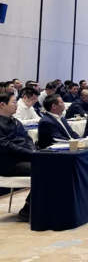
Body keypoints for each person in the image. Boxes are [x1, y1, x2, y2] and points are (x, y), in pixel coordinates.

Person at [0, 91, 35, 221]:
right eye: (14, 102)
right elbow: (6, 146)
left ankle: (43, 205)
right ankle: (27, 209)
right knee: (43, 169)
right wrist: (30, 154)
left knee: (52, 165)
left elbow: (27, 138)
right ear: (3, 105)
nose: (16, 105)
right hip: (8, 163)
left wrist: (34, 151)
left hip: (23, 158)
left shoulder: (15, 121)